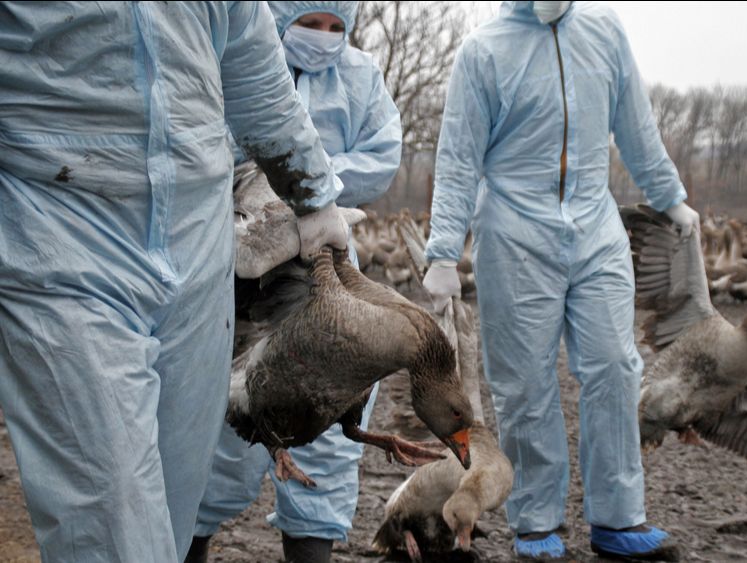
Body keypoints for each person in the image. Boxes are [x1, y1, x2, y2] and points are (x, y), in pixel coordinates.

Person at [0, 2, 354, 561]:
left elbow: (252, 64)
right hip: (59, 229)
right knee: (111, 514)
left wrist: (312, 193)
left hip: (198, 237)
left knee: (174, 499)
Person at [422, 1, 699, 560]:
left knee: (616, 366)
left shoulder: (605, 29)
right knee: (524, 382)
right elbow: (458, 156)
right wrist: (444, 250)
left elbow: (636, 123)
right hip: (515, 230)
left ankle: (618, 518)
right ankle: (536, 521)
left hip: (596, 224)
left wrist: (670, 198)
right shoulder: (484, 52)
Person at [185, 3, 401, 563]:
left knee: (331, 407)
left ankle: (310, 545)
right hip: (238, 252)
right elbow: (212, 139)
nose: (323, 36)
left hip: (327, 251)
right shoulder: (239, 58)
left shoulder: (362, 76)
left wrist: (310, 181)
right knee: (221, 415)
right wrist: (266, 181)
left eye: (335, 26)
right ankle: (188, 539)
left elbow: (382, 157)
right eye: (310, 22)